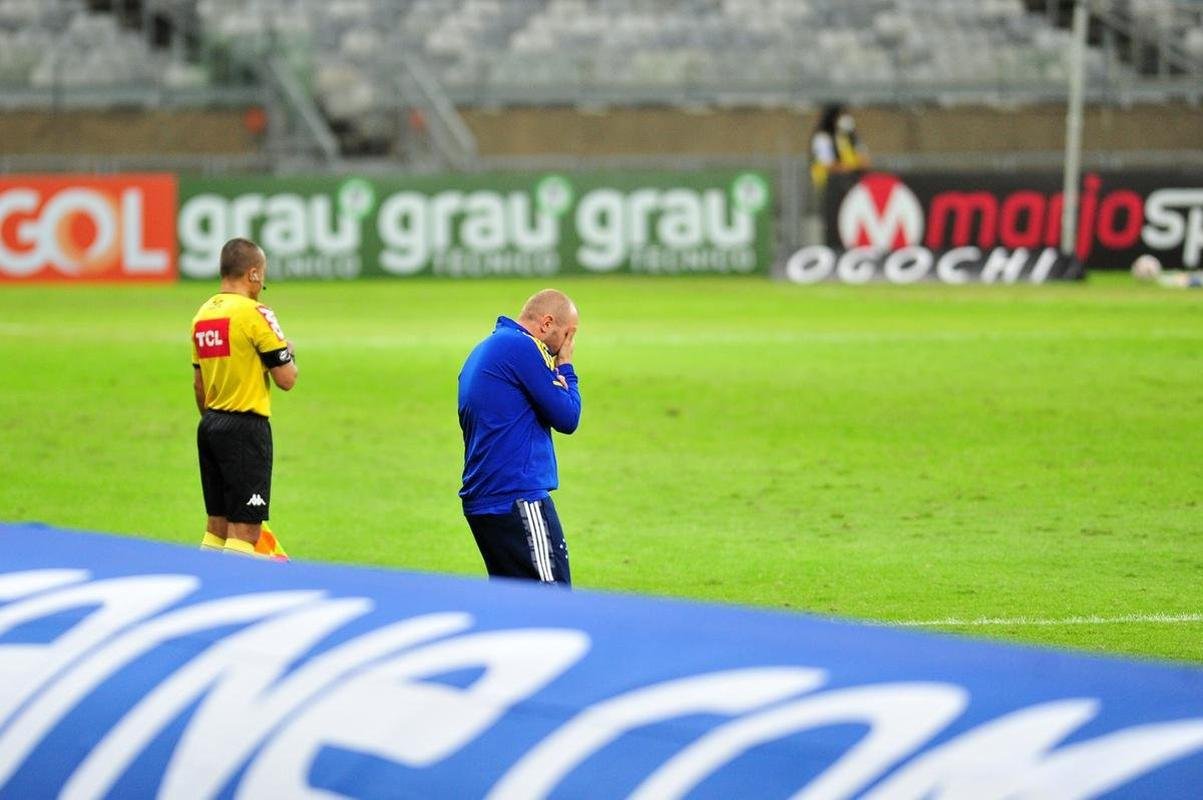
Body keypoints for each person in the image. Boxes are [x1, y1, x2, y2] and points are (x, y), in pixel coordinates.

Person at [458, 289, 582, 586]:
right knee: (552, 601)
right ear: (547, 323)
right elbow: (568, 417)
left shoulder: (485, 349)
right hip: (517, 498)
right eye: (567, 336)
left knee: (512, 609)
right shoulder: (521, 348)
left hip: (486, 503)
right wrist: (566, 366)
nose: (565, 345)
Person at [191, 238, 297, 557]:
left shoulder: (203, 315)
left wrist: (214, 421)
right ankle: (231, 595)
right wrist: (287, 354)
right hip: (245, 429)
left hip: (210, 425)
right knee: (246, 532)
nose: (262, 284)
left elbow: (199, 385)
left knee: (216, 527)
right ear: (253, 274)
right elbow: (287, 380)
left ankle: (203, 590)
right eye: (262, 275)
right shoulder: (255, 314)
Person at [809, 103, 870, 194]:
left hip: (849, 185)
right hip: (828, 186)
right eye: (840, 115)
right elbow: (828, 164)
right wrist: (850, 170)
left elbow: (864, 160)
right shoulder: (823, 138)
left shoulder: (849, 138)